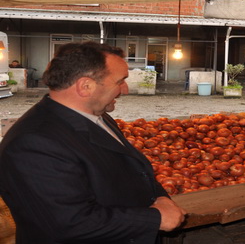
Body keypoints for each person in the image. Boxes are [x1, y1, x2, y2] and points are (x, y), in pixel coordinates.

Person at [0, 42, 186, 243]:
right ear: (85, 86)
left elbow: (132, 169)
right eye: (120, 81)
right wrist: (155, 218)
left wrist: (160, 198)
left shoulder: (97, 116)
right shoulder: (33, 144)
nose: (125, 90)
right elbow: (69, 222)